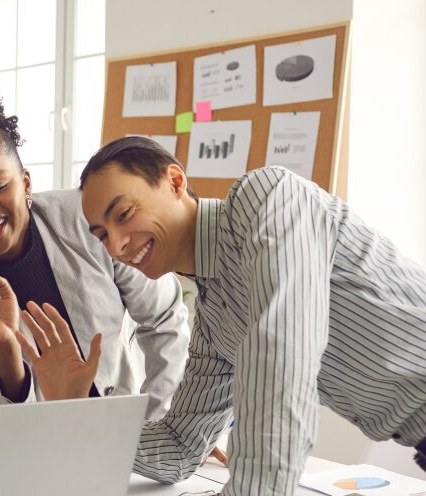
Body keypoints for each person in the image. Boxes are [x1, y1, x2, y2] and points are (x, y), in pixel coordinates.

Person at [76, 136, 426, 494]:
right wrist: (77, 420)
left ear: (175, 182)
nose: (117, 245)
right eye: (102, 236)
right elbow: (178, 446)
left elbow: (282, 363)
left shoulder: (267, 198)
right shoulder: (214, 320)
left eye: (123, 215)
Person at [0, 87, 189, 417]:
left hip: (130, 429)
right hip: (43, 451)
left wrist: (163, 427)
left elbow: (164, 319)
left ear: (26, 184)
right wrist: (5, 346)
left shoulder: (90, 219)